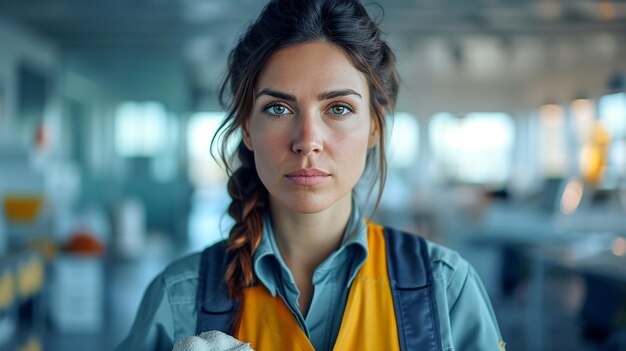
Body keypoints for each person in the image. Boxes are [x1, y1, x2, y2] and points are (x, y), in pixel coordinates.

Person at [116, 0, 505, 350]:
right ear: (247, 128)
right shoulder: (177, 298)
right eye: (278, 109)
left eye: (338, 108)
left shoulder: (446, 289)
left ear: (374, 127)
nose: (307, 141)